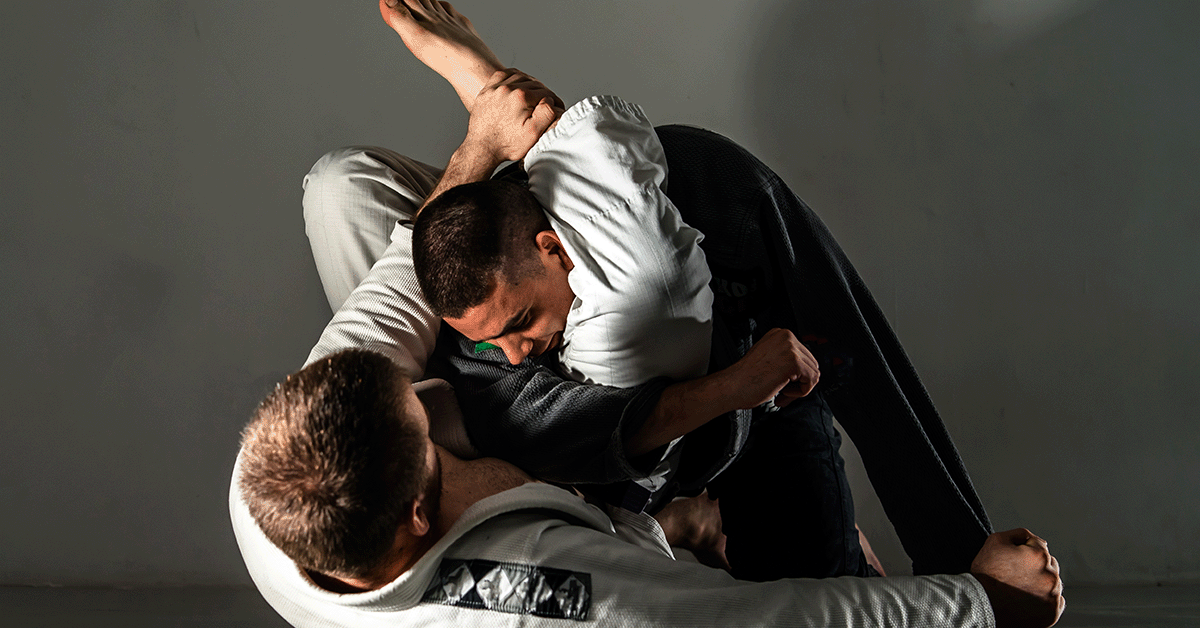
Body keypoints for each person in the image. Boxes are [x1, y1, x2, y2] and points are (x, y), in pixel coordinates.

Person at [355, 0, 991, 582]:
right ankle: (678, 518)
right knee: (346, 186)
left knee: (819, 584)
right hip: (621, 472)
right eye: (494, 340)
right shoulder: (485, 328)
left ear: (553, 248)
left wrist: (968, 561)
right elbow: (536, 410)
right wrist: (485, 126)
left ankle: (815, 543)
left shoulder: (714, 186)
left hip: (765, 397)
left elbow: (859, 353)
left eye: (522, 321)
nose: (516, 351)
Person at [231, 348, 1065, 627]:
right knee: (793, 421)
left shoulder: (265, 490)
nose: (432, 407)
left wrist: (486, 136)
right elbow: (780, 621)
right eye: (426, 439)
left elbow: (380, 314)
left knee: (343, 183)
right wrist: (983, 602)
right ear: (419, 515)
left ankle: (677, 525)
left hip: (636, 532)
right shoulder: (546, 593)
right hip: (685, 596)